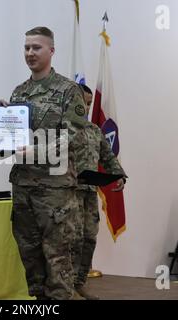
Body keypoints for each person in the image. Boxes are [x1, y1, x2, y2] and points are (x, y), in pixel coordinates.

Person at [0, 26, 88, 300]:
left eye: (36, 47)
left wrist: (34, 151)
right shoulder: (19, 92)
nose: (30, 53)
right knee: (32, 262)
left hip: (55, 193)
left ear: (51, 50)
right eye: (26, 48)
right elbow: (14, 139)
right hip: (24, 189)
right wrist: (3, 120)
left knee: (58, 263)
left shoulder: (68, 91)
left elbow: (74, 137)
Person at [71, 84, 127, 300]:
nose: (85, 107)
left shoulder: (94, 131)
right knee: (70, 241)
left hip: (88, 194)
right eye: (81, 103)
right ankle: (66, 287)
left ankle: (79, 283)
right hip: (68, 194)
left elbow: (108, 156)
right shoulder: (61, 130)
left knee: (88, 238)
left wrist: (119, 174)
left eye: (88, 103)